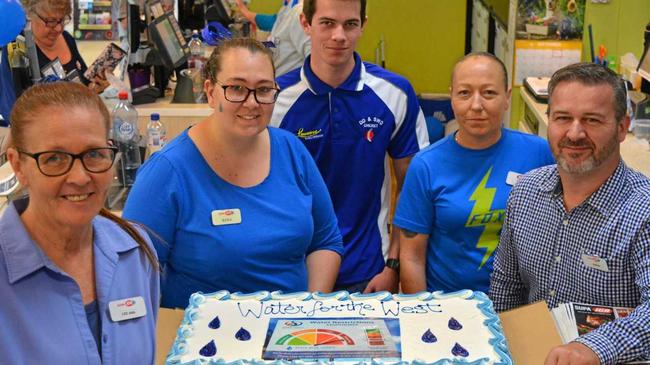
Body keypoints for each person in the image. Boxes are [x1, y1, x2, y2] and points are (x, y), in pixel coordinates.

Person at [123, 38, 343, 309]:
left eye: (263, 90)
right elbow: (131, 276)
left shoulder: (291, 151)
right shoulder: (168, 173)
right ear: (210, 92)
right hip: (205, 343)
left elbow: (326, 239)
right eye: (236, 88)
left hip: (289, 336)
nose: (252, 103)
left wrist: (309, 309)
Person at [490, 63, 650, 364]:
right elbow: (506, 287)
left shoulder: (643, 211)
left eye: (592, 120)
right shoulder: (526, 193)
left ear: (621, 127)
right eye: (563, 118)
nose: (575, 133)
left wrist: (595, 348)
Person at [270, 0, 430, 293]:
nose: (339, 36)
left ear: (363, 25)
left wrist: (393, 266)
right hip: (297, 272)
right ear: (306, 24)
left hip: (370, 272)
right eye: (327, 23)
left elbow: (412, 187)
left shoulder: (395, 93)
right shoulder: (276, 99)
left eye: (350, 24)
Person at [0, 82, 159, 363]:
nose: (79, 177)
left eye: (94, 154)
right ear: (17, 165)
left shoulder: (135, 251)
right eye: (54, 159)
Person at [395, 52, 554, 294]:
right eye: (464, 93)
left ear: (507, 97)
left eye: (489, 93)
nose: (476, 105)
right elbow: (412, 257)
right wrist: (424, 316)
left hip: (522, 306)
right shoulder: (426, 165)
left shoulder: (540, 154)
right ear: (452, 98)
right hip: (452, 307)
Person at [21, 0, 108, 92]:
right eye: (51, 21)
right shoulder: (19, 47)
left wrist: (95, 87)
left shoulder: (67, 38)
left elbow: (85, 82)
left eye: (62, 20)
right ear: (30, 15)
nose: (58, 29)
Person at [235, 0, 310, 76]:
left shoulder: (299, 13)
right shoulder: (287, 7)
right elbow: (278, 38)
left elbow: (315, 67)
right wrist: (255, 48)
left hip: (283, 82)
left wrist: (275, 84)